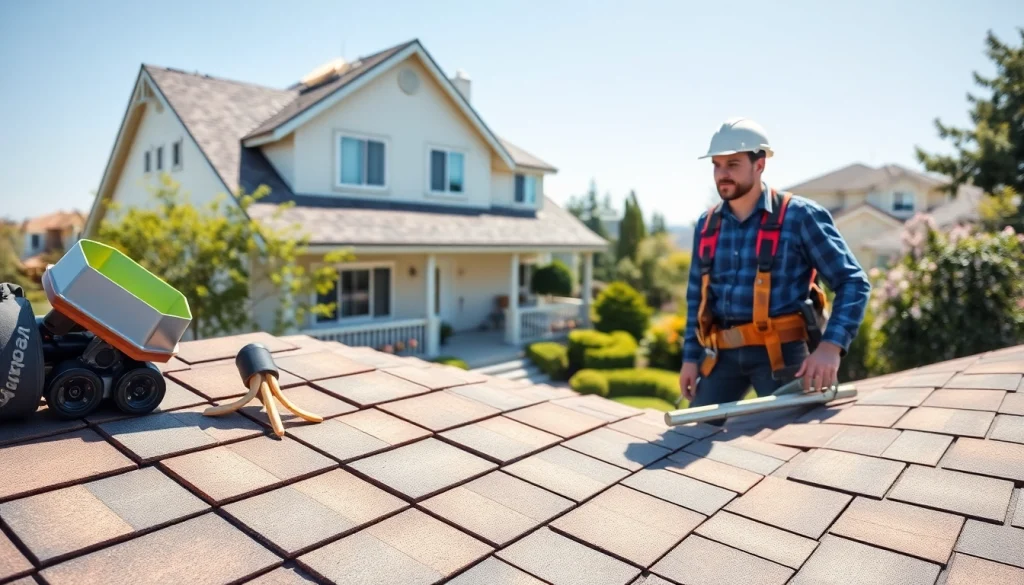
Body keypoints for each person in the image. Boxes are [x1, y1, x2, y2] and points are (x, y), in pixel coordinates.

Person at [679, 118, 870, 419]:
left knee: (794, 442)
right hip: (722, 356)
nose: (722, 174)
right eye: (717, 165)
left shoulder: (800, 217)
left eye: (733, 164)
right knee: (689, 434)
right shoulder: (707, 225)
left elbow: (853, 281)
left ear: (760, 165)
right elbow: (696, 298)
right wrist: (691, 358)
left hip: (782, 354)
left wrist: (831, 348)